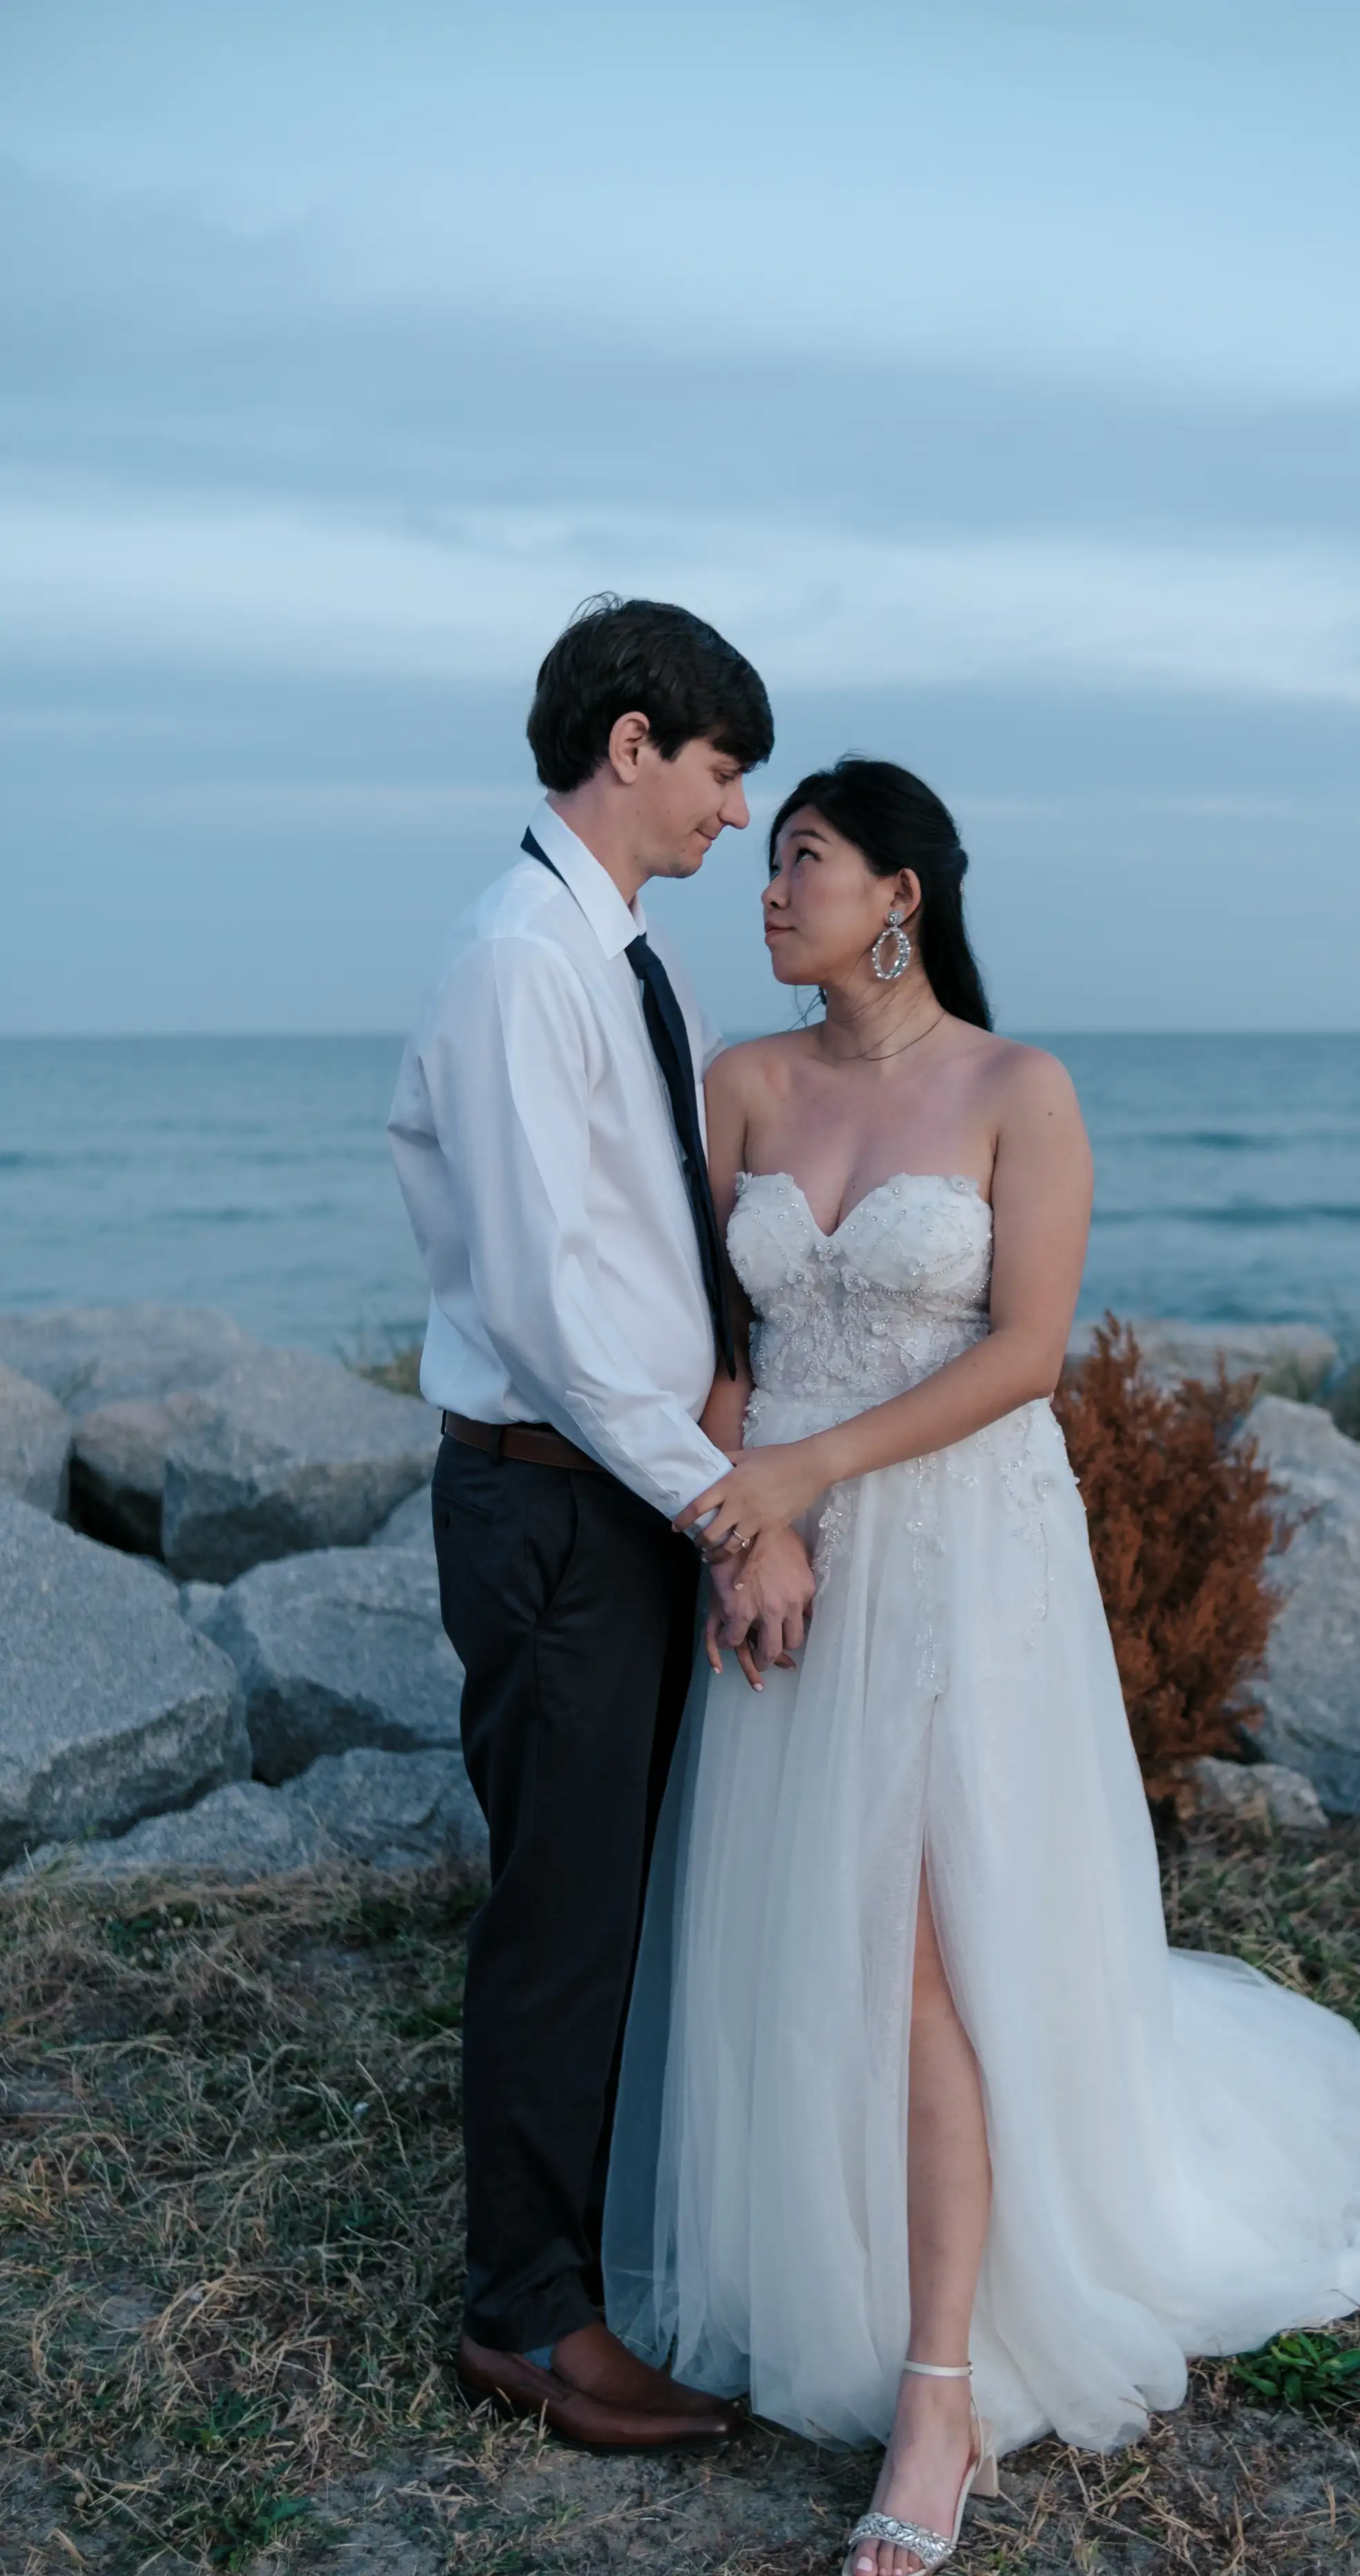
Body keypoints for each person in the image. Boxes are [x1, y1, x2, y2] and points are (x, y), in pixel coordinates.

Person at [603, 758, 1360, 2576]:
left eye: (803, 860)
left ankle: (940, 2390)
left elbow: (1028, 1353)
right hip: (787, 1561)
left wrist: (808, 1476)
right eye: (771, 861)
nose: (769, 886)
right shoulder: (741, 1083)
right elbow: (714, 1350)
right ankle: (838, 2265)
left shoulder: (1018, 1090)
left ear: (898, 895)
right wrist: (740, 1527)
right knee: (815, 1927)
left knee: (924, 1943)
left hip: (961, 1555)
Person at [388, 596, 818, 2450]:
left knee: (616, 1895)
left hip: (621, 1491)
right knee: (562, 1917)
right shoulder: (520, 958)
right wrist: (727, 1509)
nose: (739, 814)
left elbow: (656, 1253)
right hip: (555, 1502)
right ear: (632, 746)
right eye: (724, 770)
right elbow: (552, 1306)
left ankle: (585, 2263)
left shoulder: (630, 959)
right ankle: (525, 2323)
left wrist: (722, 1432)